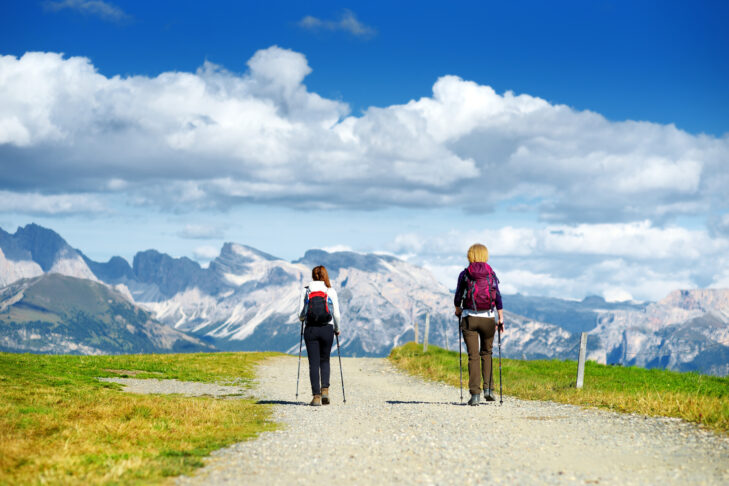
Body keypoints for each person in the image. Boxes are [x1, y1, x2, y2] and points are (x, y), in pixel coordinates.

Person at [454, 243, 504, 406]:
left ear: (470, 255)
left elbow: (458, 296)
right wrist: (500, 318)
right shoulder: (491, 274)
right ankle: (488, 389)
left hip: (470, 318)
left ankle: (475, 395)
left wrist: (458, 310)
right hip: (488, 319)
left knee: (473, 356)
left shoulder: (464, 274)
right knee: (487, 353)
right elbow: (498, 298)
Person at [298, 265, 341, 406]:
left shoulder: (306, 291)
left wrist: (304, 318)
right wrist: (337, 328)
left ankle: (316, 397)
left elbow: (300, 315)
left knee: (313, 363)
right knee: (325, 360)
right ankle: (325, 391)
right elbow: (336, 314)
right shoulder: (330, 291)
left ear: (313, 276)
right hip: (327, 329)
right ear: (325, 276)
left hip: (311, 329)